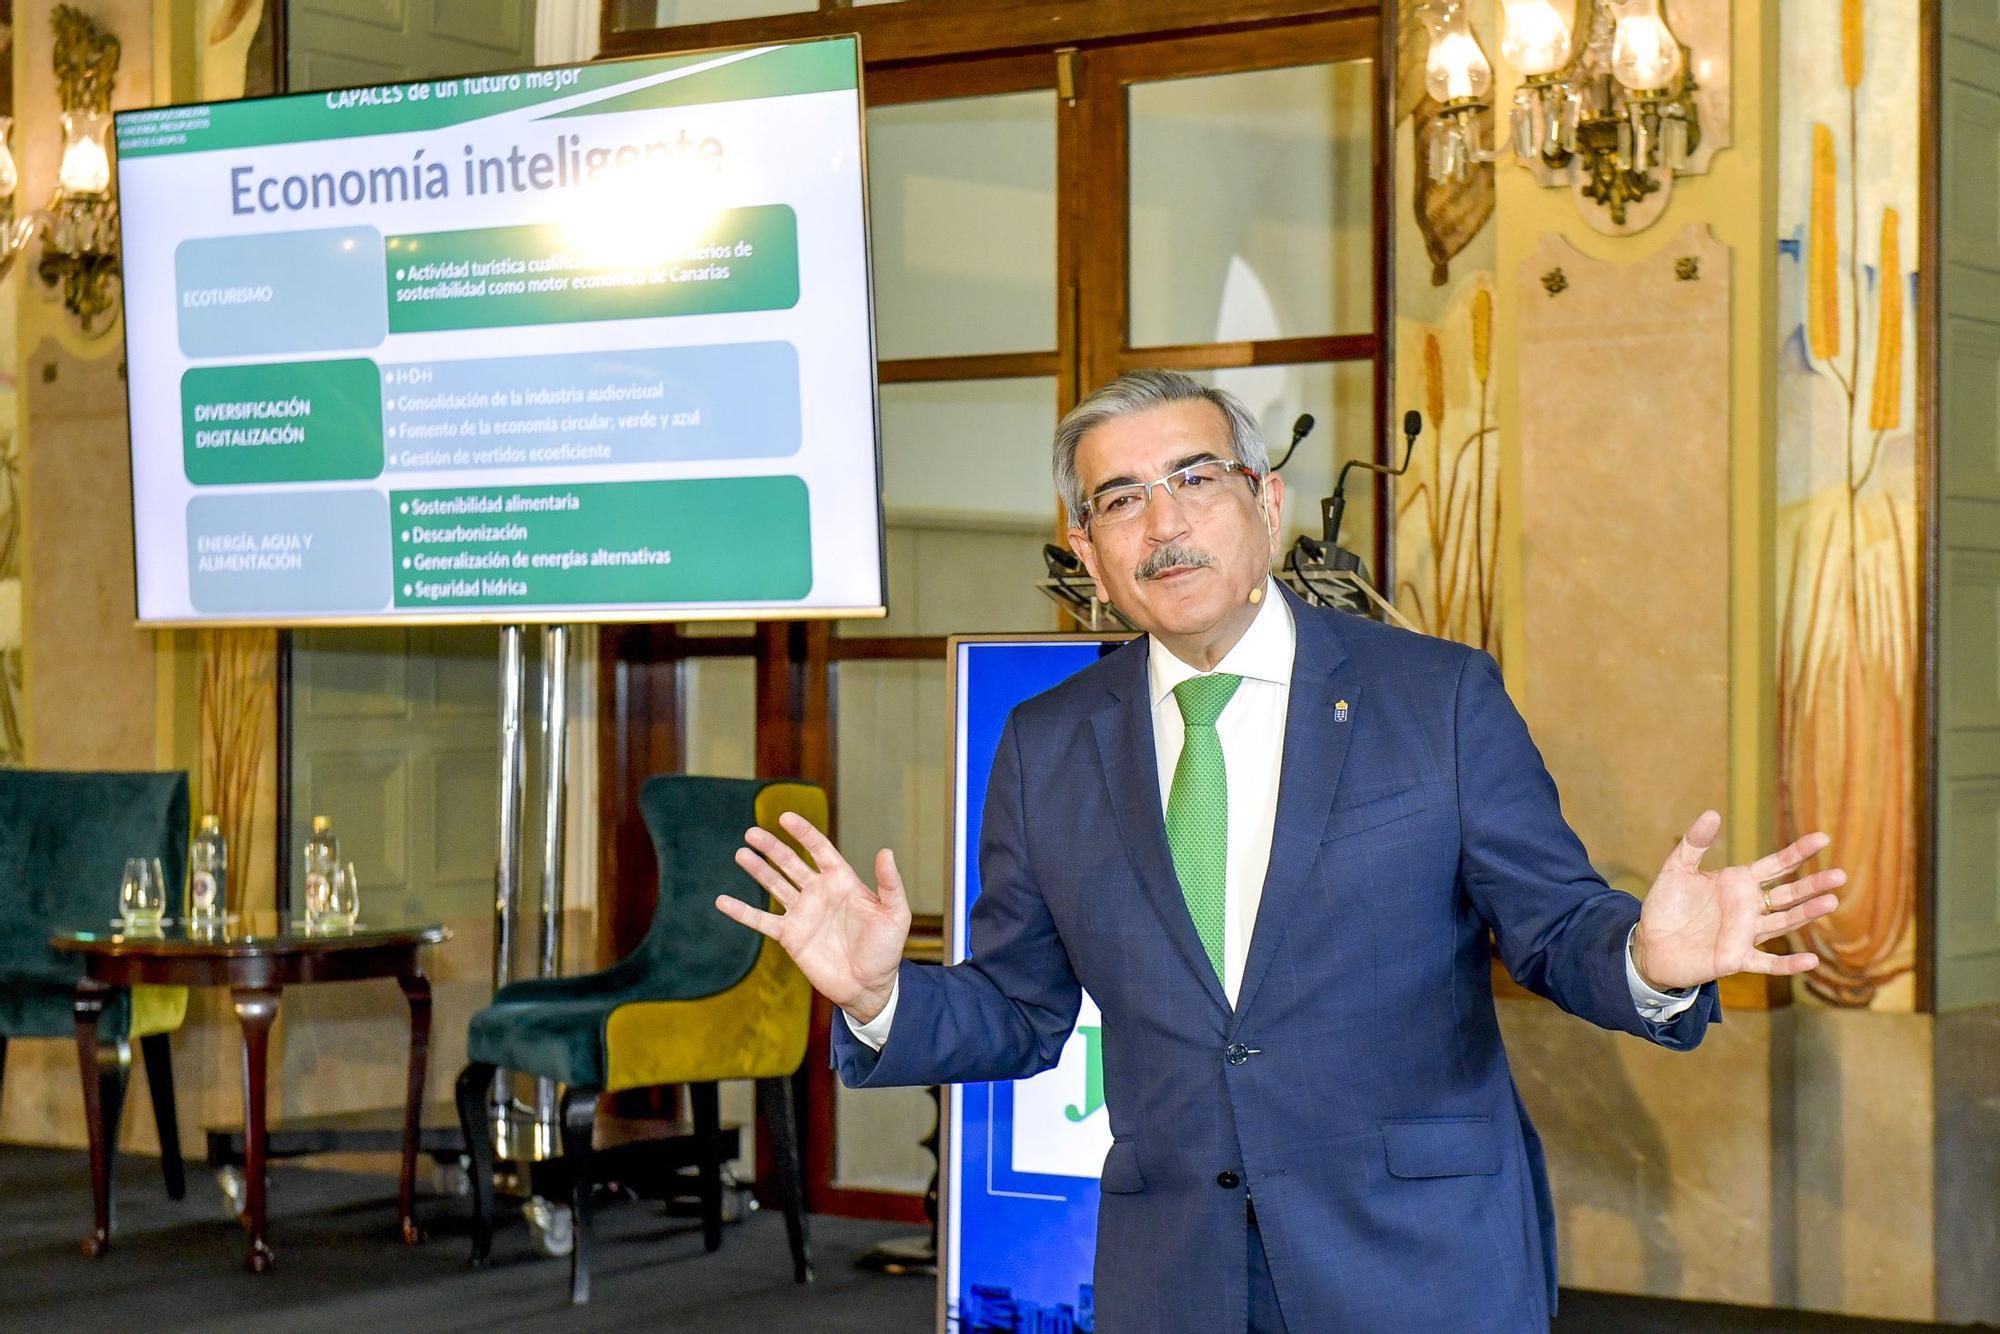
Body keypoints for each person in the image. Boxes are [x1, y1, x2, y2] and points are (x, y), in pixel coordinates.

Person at [716, 370, 1844, 1333]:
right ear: (1087, 550)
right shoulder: (1048, 742)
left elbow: (1553, 928)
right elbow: (1021, 1006)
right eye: (1120, 499)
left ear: (1265, 502)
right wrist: (876, 996)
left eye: (1195, 479)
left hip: (1417, 1257)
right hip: (1179, 1268)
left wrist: (1648, 959)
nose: (1163, 523)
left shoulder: (1433, 695)